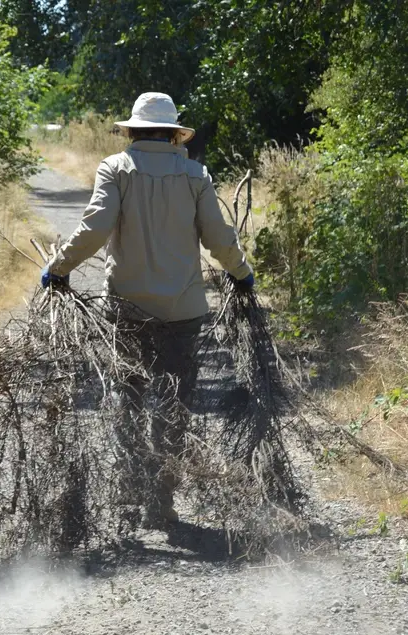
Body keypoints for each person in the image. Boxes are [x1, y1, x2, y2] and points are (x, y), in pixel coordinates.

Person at [41, 92, 254, 529]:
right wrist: (241, 272)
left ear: (133, 131)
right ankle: (162, 498)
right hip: (183, 310)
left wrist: (58, 268)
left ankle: (132, 482)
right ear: (175, 133)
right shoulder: (195, 175)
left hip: (126, 307)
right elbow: (217, 236)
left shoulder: (115, 169)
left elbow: (95, 228)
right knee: (175, 402)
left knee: (130, 398)